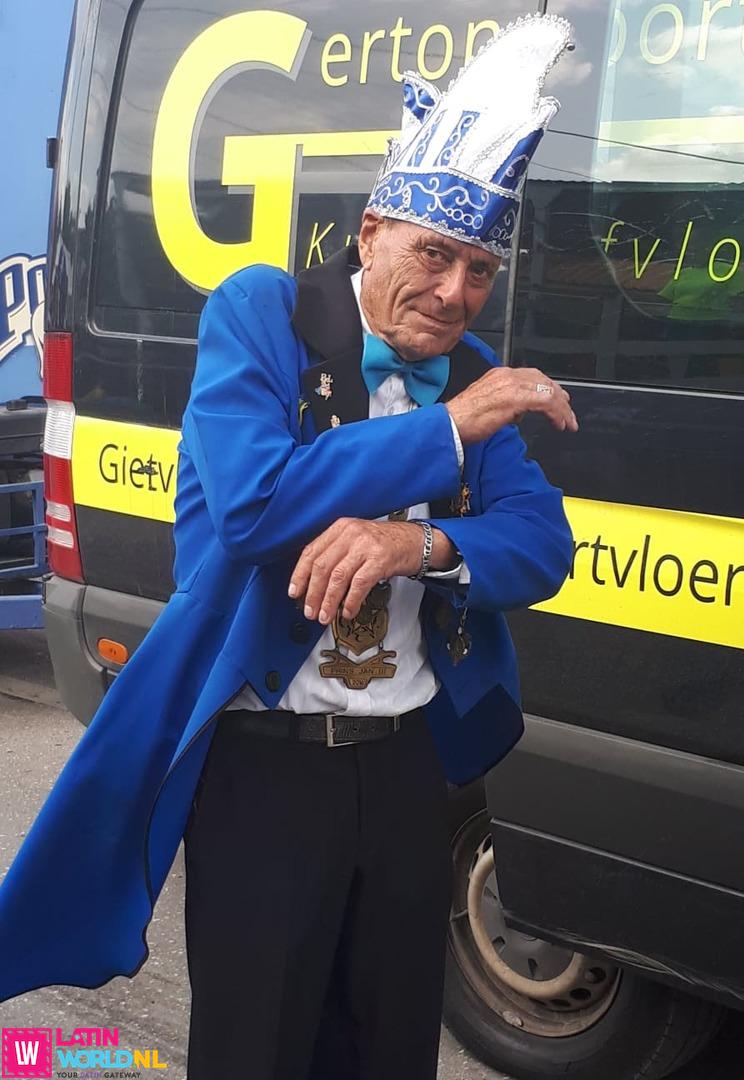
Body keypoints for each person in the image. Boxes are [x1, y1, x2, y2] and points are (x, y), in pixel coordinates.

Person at [0, 11, 576, 1078]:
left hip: (407, 770)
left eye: (479, 270)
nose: (455, 292)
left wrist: (418, 547)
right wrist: (446, 431)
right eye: (435, 254)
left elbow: (542, 542)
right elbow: (253, 507)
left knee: (390, 1046)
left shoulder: (468, 371)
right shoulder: (264, 313)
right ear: (371, 231)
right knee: (255, 1048)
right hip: (264, 771)